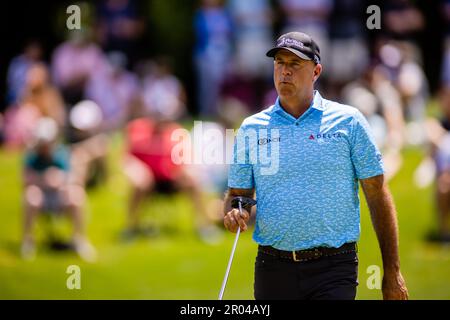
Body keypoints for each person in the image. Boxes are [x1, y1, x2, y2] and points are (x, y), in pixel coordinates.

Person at [223, 32, 409, 300]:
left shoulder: (348, 122)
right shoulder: (252, 128)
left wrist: (392, 272)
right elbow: (238, 198)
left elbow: (377, 194)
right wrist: (233, 213)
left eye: (295, 64)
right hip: (273, 268)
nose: (285, 71)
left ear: (316, 71)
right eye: (279, 63)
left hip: (334, 266)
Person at [21, 118, 97, 262]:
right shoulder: (31, 156)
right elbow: (26, 180)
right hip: (41, 195)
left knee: (76, 195)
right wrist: (44, 179)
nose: (45, 147)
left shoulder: (62, 153)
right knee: (31, 196)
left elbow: (74, 177)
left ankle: (79, 240)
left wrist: (60, 179)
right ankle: (28, 240)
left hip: (60, 194)